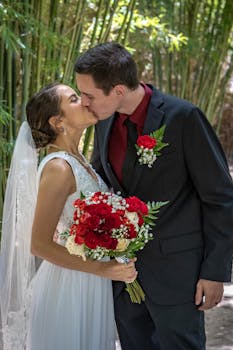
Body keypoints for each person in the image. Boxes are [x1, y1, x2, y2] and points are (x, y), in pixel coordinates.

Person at [74, 42, 233, 350]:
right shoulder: (105, 120)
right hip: (123, 274)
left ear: (118, 90)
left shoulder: (183, 118)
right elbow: (102, 184)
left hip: (177, 276)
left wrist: (214, 272)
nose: (83, 102)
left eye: (89, 95)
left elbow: (221, 198)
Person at [0, 82, 137, 350]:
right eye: (74, 99)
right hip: (67, 287)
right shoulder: (58, 168)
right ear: (57, 122)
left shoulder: (83, 162)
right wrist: (103, 268)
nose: (85, 101)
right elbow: (38, 244)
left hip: (91, 281)